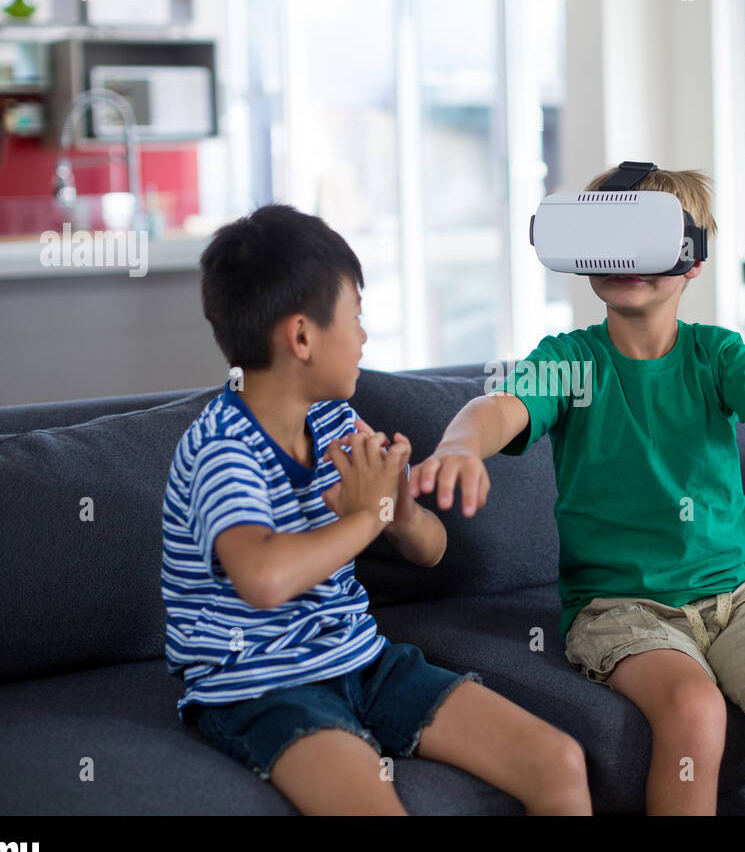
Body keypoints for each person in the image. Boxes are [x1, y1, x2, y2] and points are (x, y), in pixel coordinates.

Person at [414, 168, 745, 815]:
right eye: (609, 236)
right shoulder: (572, 361)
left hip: (740, 598)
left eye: (646, 238)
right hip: (622, 608)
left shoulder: (717, 356)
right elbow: (498, 408)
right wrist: (461, 444)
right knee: (694, 712)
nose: (626, 257)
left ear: (691, 261)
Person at [162, 203, 591, 815]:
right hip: (261, 687)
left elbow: (432, 547)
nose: (364, 337)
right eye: (356, 318)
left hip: (363, 660)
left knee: (559, 763)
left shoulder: (336, 423)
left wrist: (398, 512)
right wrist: (363, 519)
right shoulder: (222, 447)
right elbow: (261, 578)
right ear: (302, 336)